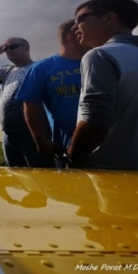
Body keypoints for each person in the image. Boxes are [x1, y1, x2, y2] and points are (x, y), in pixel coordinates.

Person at [67, 0, 138, 170]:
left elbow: (94, 122)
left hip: (108, 172)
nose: (75, 26)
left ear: (109, 18)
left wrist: (71, 160)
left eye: (80, 18)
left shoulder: (100, 55)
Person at [16, 19, 88, 165]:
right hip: (65, 146)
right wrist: (41, 141)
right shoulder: (41, 68)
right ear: (72, 37)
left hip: (109, 144)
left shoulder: (100, 62)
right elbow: (31, 105)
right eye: (82, 32)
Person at [0, 37, 53, 167]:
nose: (8, 51)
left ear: (25, 48)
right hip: (9, 133)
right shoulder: (8, 70)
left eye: (12, 47)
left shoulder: (37, 68)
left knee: (38, 173)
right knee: (15, 176)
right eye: (5, 48)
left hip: (30, 134)